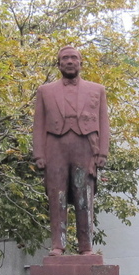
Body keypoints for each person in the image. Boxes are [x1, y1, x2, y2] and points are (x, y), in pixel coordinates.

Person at [32, 46, 109, 256]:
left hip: (86, 146)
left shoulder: (97, 90)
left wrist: (102, 152)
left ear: (80, 62)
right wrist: (39, 154)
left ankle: (86, 246)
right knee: (57, 196)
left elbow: (104, 122)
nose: (69, 61)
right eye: (64, 58)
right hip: (55, 146)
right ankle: (58, 244)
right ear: (58, 64)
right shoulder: (44, 91)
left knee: (84, 195)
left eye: (73, 58)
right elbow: (38, 124)